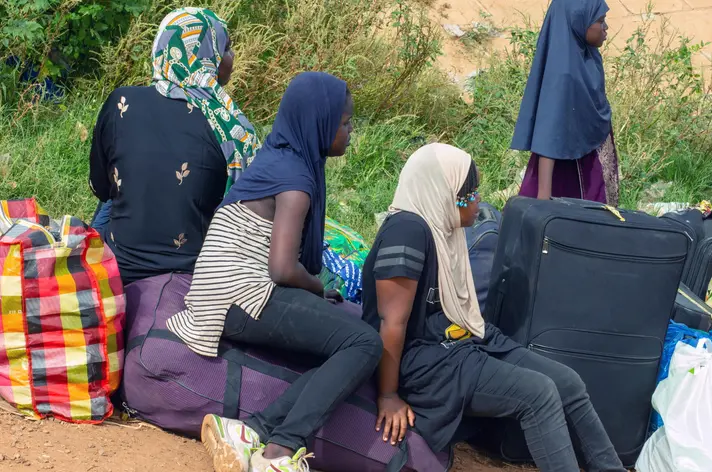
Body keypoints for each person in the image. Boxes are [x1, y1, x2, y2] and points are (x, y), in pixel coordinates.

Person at [362, 143, 625, 472]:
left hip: (459, 338)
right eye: (470, 192)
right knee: (538, 394)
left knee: (567, 382)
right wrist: (388, 394)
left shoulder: (443, 228)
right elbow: (391, 322)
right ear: (447, 194)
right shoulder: (408, 230)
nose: (477, 200)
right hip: (423, 359)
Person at [167, 72, 382, 472]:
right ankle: (282, 448)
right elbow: (283, 268)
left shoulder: (278, 154)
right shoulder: (297, 180)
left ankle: (254, 430)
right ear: (319, 124)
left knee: (343, 339)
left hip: (223, 286)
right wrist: (317, 288)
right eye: (346, 123)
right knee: (364, 344)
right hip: (239, 294)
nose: (351, 132)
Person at [88, 7, 259, 285]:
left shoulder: (122, 102)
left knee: (114, 191)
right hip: (195, 270)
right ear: (207, 56)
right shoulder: (233, 127)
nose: (233, 56)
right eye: (227, 48)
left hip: (120, 261)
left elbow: (101, 185)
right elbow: (243, 218)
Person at [511, 0, 619, 205]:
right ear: (578, 22)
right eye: (601, 21)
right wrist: (544, 198)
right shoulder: (564, 73)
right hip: (570, 175)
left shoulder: (587, 59)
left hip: (590, 163)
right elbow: (548, 134)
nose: (605, 28)